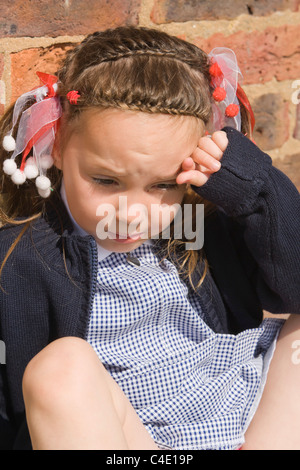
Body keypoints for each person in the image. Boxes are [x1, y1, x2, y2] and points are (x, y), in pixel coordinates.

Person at [0, 26, 299, 451]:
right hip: (129, 438)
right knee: (60, 368)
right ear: (58, 143)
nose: (132, 212)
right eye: (105, 180)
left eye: (164, 185)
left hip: (242, 415)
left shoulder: (199, 225)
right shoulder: (20, 257)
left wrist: (255, 186)